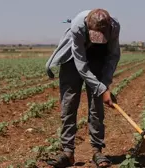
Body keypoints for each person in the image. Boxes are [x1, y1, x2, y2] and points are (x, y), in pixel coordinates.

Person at [45, 8, 120, 168]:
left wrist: (104, 85)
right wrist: (101, 89)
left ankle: (97, 150)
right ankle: (67, 152)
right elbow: (81, 65)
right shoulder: (78, 26)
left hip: (98, 57)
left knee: (96, 106)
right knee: (69, 103)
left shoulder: (114, 27)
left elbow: (113, 56)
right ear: (87, 25)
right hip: (74, 58)